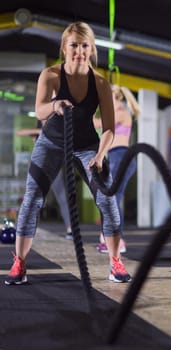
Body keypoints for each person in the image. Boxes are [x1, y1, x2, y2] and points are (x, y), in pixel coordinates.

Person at [5, 21, 131, 285]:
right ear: (64, 47)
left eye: (85, 46)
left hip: (87, 146)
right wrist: (55, 104)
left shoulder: (100, 84)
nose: (80, 51)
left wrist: (99, 156)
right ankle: (19, 263)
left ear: (92, 48)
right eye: (74, 45)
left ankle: (115, 262)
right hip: (51, 142)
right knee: (32, 200)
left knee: (107, 202)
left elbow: (109, 129)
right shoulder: (50, 75)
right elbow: (39, 111)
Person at [93, 85, 141, 254]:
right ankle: (109, 240)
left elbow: (99, 123)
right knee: (110, 198)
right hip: (115, 157)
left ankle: (118, 241)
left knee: (113, 198)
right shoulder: (116, 112)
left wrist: (82, 112)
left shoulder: (121, 112)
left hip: (121, 157)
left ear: (117, 97)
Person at [16, 123, 73, 239]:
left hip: (54, 167)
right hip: (39, 168)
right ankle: (25, 229)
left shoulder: (57, 127)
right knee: (32, 198)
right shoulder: (38, 132)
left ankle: (70, 229)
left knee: (62, 198)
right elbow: (19, 132)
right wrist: (40, 132)